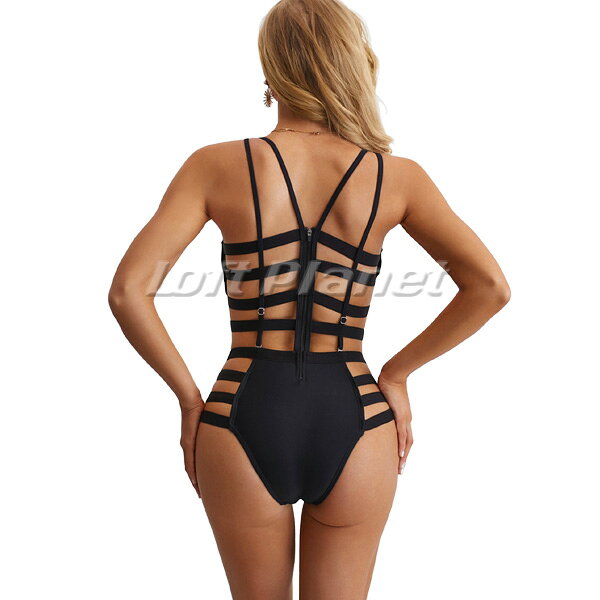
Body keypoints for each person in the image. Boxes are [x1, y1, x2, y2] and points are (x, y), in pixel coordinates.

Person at [108, 0, 510, 597]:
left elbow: (128, 291)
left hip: (240, 408)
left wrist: (189, 401)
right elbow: (489, 287)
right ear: (354, 62)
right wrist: (397, 375)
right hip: (357, 410)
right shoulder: (397, 177)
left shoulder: (215, 165)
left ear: (271, 70)